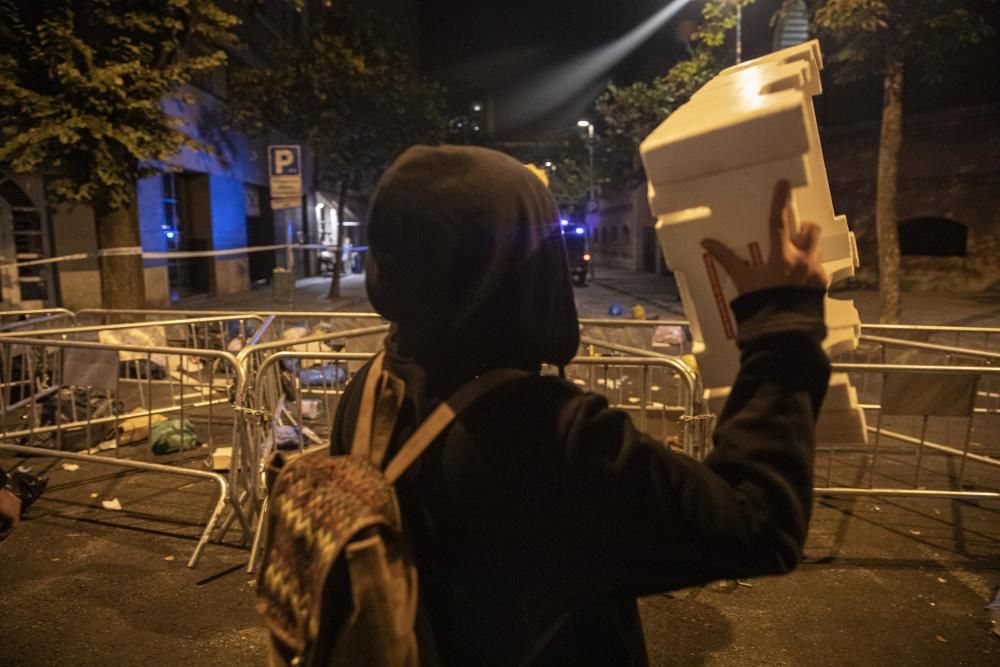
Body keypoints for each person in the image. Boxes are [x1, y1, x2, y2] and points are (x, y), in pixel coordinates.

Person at [330, 145, 830, 665]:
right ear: (525, 266)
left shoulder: (369, 392)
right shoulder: (546, 433)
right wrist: (781, 327)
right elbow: (757, 523)